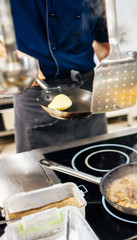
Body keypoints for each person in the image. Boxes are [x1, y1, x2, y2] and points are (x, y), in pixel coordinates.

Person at [0, 0, 110, 153]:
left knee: (96, 160)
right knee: (38, 172)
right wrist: (10, 54)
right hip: (36, 91)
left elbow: (100, 33)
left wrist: (111, 62)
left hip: (88, 90)